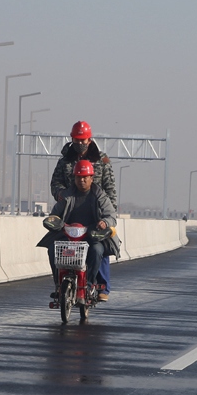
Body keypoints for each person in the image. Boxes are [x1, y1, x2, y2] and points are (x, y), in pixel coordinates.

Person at [50, 120, 117, 300]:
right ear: (72, 139)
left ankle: (99, 286)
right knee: (54, 246)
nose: (80, 144)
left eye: (83, 140)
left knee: (100, 248)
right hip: (70, 212)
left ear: (89, 139)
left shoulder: (102, 160)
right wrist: (61, 195)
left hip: (96, 211)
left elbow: (110, 189)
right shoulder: (65, 162)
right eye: (76, 140)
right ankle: (59, 284)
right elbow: (55, 184)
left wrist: (108, 216)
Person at [38, 160, 120, 300]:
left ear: (91, 178)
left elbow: (111, 216)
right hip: (68, 235)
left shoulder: (100, 196)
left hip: (92, 235)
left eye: (85, 177)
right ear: (74, 178)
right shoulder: (67, 196)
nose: (81, 180)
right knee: (52, 248)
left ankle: (89, 284)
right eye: (78, 177)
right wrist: (54, 221)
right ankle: (58, 284)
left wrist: (105, 223)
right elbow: (55, 214)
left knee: (97, 250)